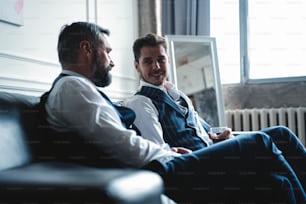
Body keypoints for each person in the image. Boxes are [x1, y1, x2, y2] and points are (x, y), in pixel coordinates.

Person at [41, 22, 305, 204]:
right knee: (262, 141)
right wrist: (167, 151)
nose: (111, 60)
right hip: (159, 172)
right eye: (107, 51)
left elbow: (120, 141)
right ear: (86, 49)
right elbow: (124, 146)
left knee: (278, 141)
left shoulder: (79, 89)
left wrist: (179, 146)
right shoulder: (72, 88)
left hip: (161, 164)